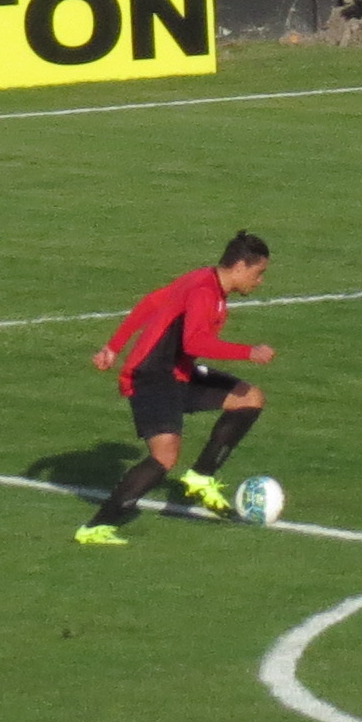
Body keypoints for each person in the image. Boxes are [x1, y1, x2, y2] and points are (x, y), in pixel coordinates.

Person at [79, 231, 278, 545]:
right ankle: (97, 527)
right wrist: (248, 352)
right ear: (240, 266)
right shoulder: (204, 290)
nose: (260, 281)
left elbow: (152, 302)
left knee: (249, 398)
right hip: (152, 376)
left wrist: (113, 347)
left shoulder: (204, 279)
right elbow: (194, 341)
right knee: (164, 458)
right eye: (258, 273)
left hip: (179, 373)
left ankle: (200, 477)